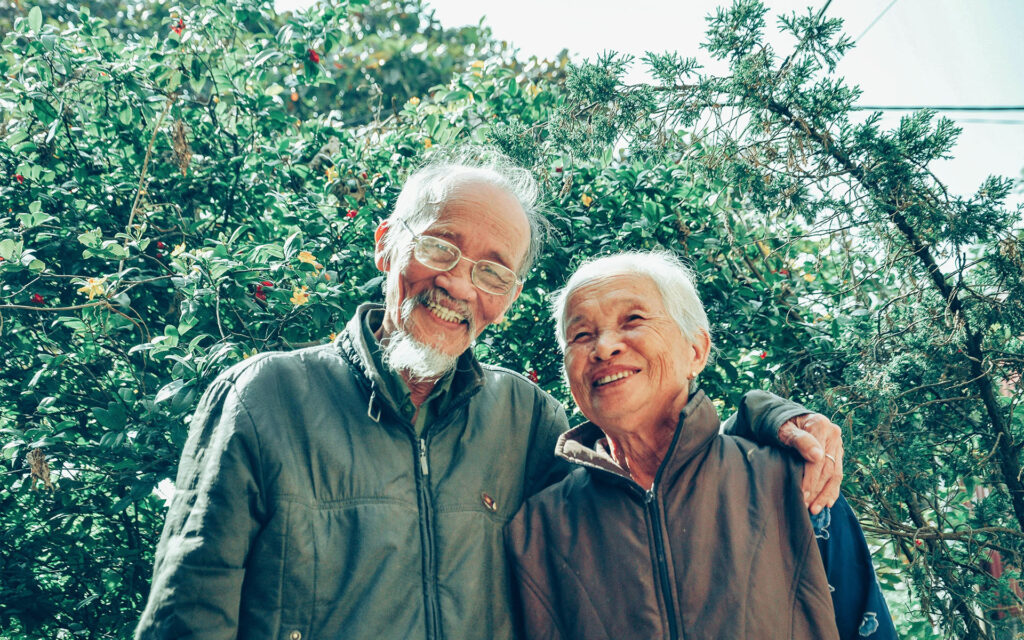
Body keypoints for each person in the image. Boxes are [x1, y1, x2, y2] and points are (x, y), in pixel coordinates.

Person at [135, 149, 844, 640]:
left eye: (493, 271)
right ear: (388, 246)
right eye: (439, 247)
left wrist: (770, 418)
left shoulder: (527, 420)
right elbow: (186, 616)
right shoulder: (267, 398)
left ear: (506, 298)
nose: (458, 284)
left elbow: (652, 469)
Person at [504, 251, 897, 640]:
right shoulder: (538, 529)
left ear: (696, 351)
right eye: (581, 334)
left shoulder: (794, 482)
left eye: (633, 320)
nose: (604, 348)